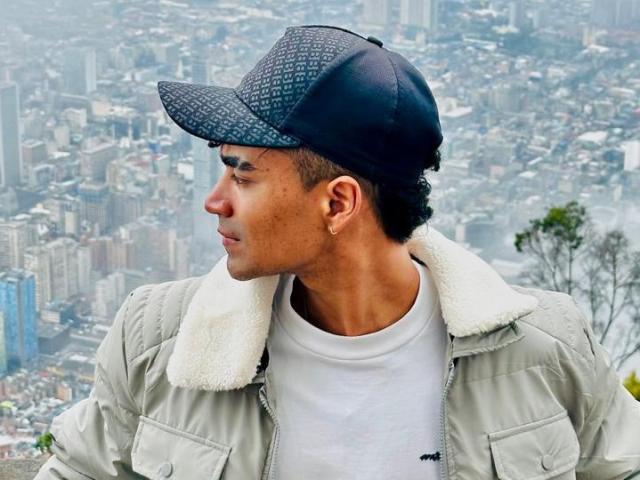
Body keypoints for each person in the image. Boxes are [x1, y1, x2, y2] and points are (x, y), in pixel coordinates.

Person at [35, 25, 640, 480]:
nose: (214, 201)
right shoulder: (159, 341)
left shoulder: (545, 349)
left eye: (242, 174)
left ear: (338, 202)